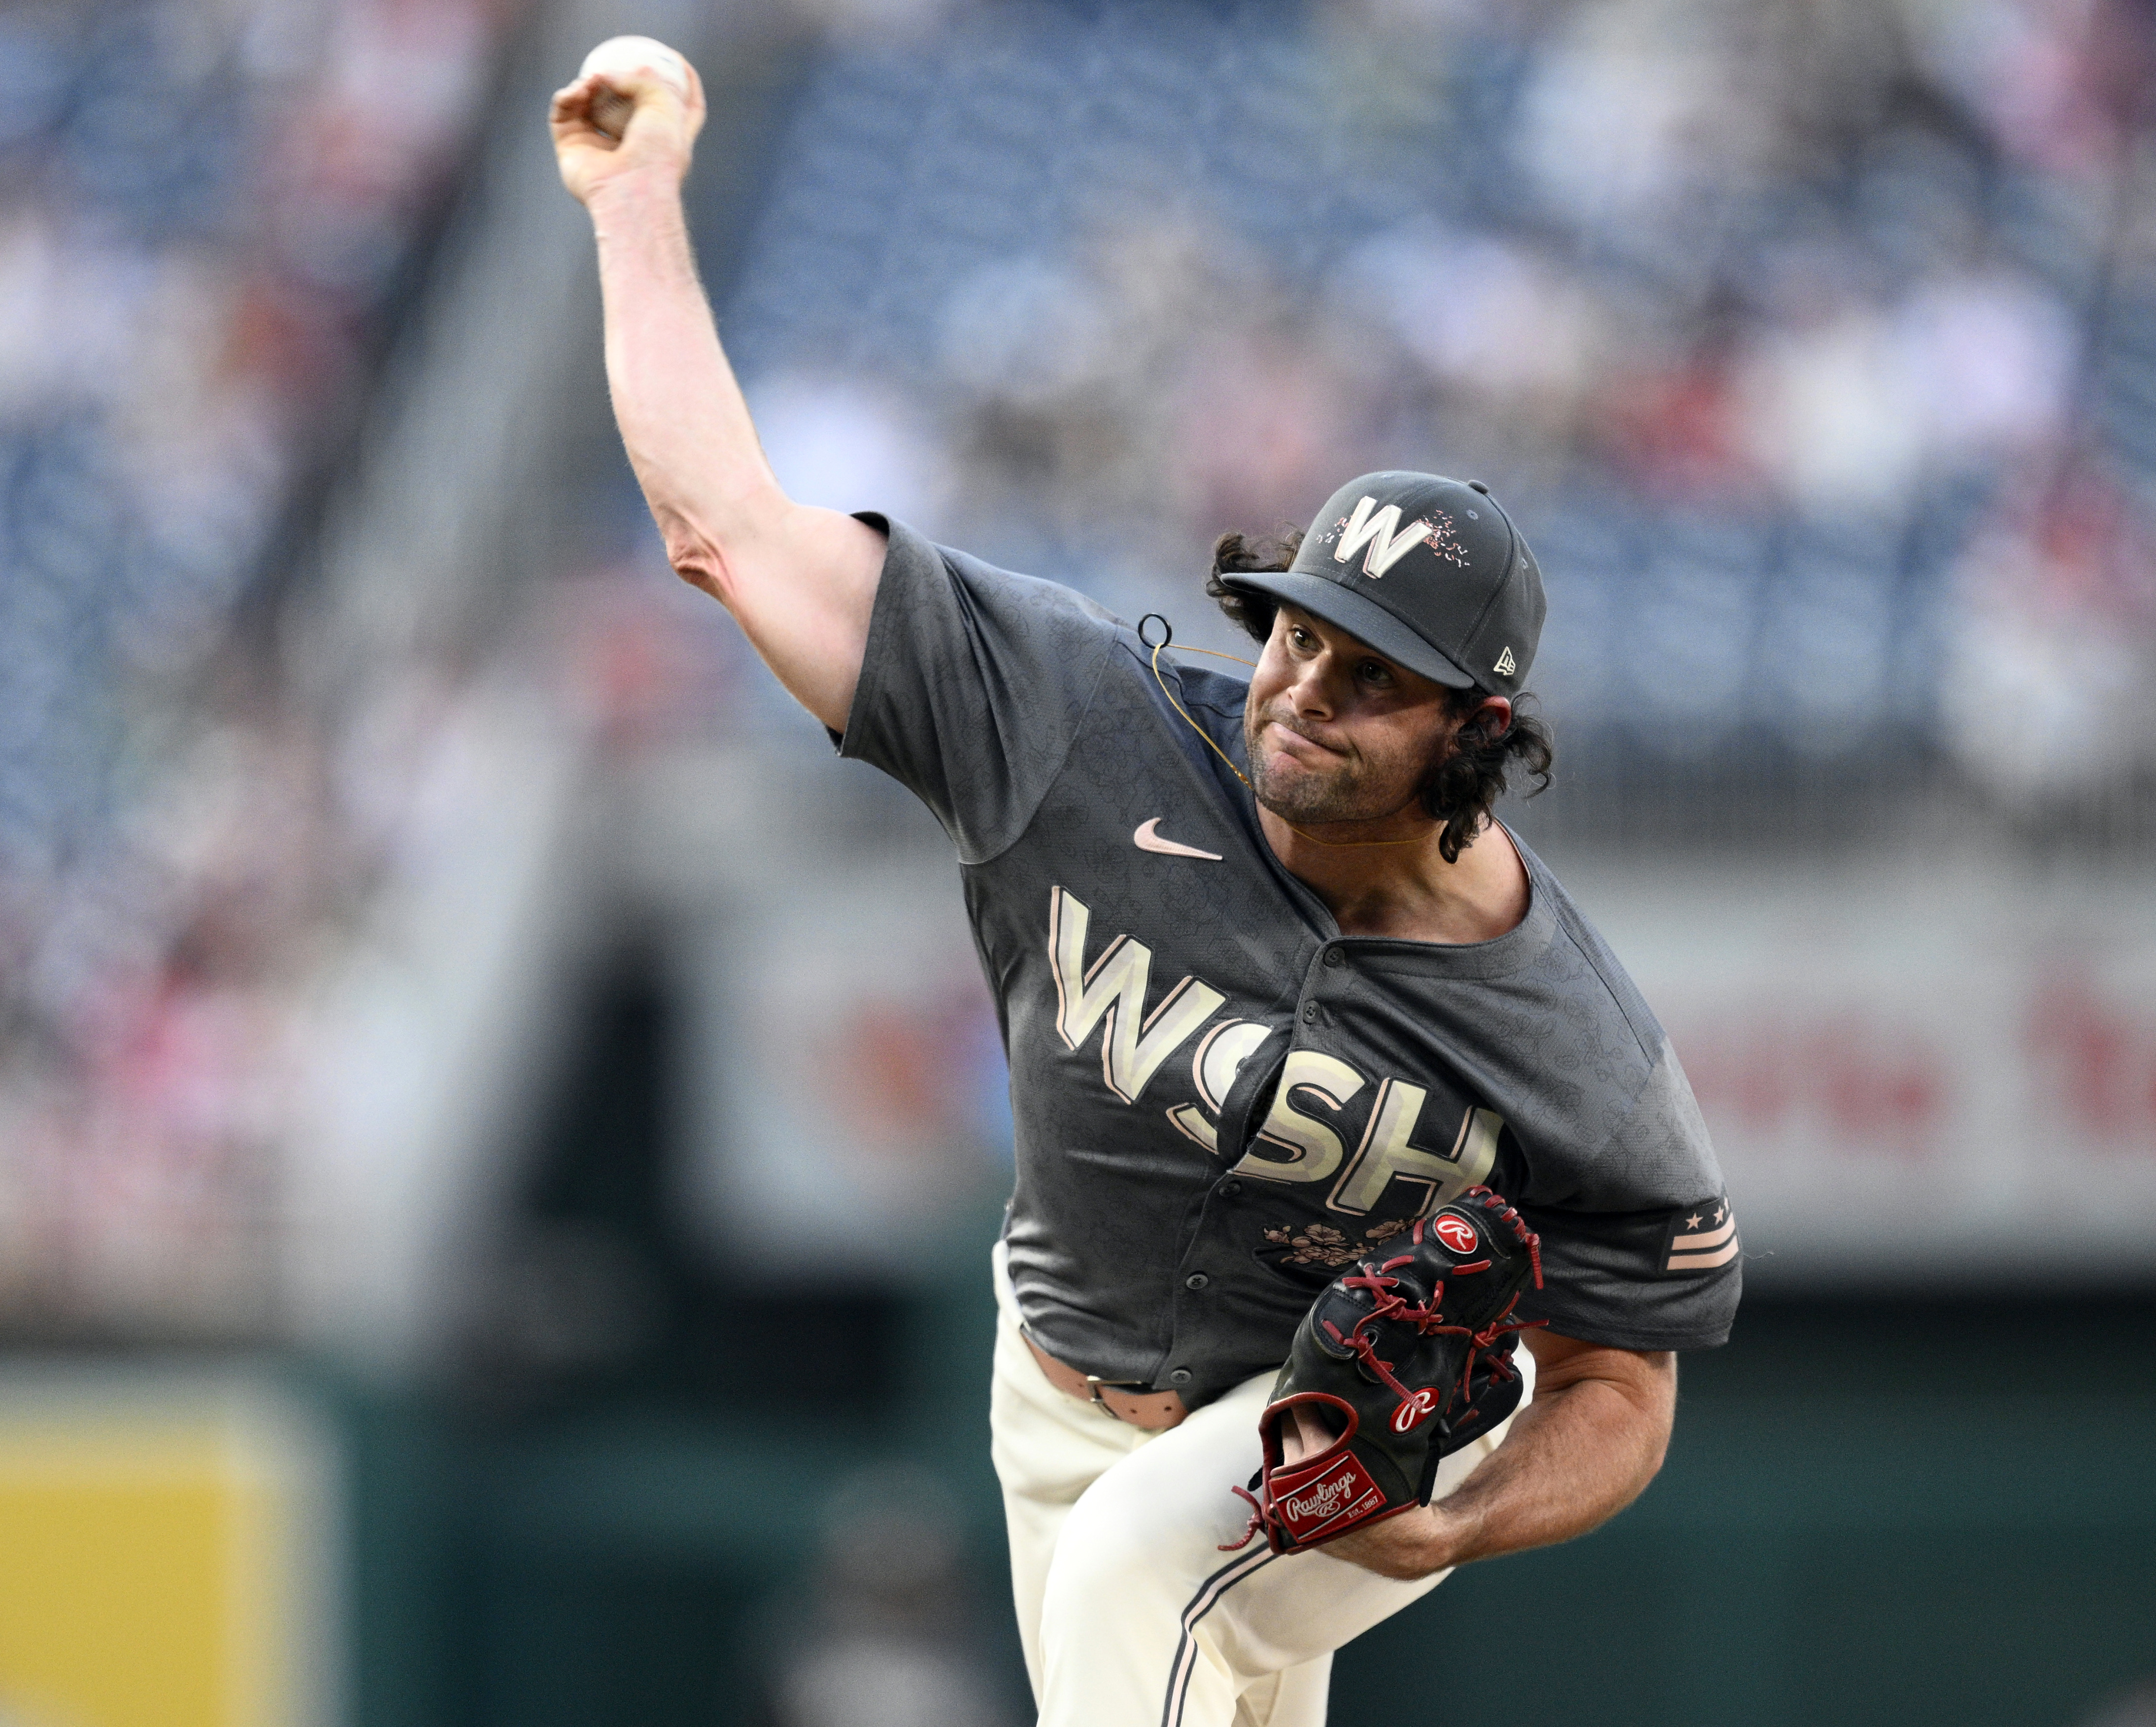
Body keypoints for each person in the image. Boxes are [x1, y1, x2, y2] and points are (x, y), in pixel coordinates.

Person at [551, 40, 1741, 1727]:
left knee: (1136, 1575)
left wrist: (1462, 1514)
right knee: (1147, 1620)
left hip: (1325, 1430)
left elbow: (1624, 1380)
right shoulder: (1074, 719)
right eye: (1299, 637)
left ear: (1475, 733)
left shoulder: (1575, 1036)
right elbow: (720, 521)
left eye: (1371, 676)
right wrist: (638, 197)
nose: (1304, 693)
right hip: (1047, 1385)